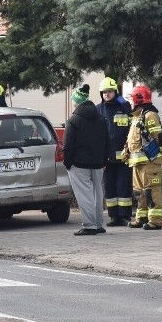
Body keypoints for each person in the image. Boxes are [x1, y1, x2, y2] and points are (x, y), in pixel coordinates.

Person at [63, 84, 111, 236]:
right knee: (98, 194)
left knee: (85, 195)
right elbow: (107, 141)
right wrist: (104, 160)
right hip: (98, 163)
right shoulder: (101, 118)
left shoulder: (74, 120)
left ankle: (89, 225)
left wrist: (67, 162)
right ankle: (98, 224)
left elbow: (68, 144)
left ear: (76, 101)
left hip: (79, 164)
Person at [124, 84, 162, 230]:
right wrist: (126, 152)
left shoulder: (150, 116)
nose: (130, 102)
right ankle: (141, 218)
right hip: (137, 163)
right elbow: (133, 138)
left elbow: (159, 137)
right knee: (139, 192)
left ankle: (155, 221)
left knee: (151, 191)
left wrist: (161, 153)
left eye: (132, 99)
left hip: (150, 162)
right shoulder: (137, 117)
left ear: (139, 99)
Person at [95, 77, 134, 227]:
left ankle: (124, 216)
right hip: (107, 157)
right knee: (109, 186)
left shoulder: (124, 107)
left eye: (109, 91)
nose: (106, 94)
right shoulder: (98, 109)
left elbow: (132, 129)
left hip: (124, 156)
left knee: (123, 185)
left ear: (115, 92)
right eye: (104, 92)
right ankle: (113, 216)